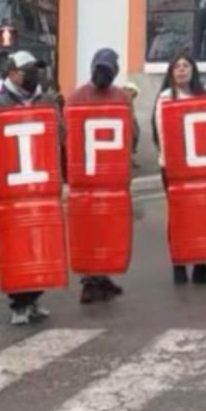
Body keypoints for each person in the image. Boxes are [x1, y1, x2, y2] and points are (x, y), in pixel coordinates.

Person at [0, 50, 61, 325]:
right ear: (13, 74)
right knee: (14, 244)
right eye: (29, 70)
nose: (35, 74)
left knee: (39, 243)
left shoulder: (45, 101)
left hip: (38, 182)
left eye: (37, 69)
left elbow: (56, 139)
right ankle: (18, 303)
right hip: (10, 185)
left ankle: (35, 297)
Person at [67, 48, 133, 304]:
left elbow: (129, 133)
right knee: (87, 229)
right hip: (85, 175)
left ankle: (103, 276)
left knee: (108, 228)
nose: (101, 74)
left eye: (106, 70)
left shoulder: (121, 97)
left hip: (111, 176)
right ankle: (89, 281)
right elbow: (69, 136)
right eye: (98, 69)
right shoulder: (77, 97)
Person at [154, 53, 206, 285]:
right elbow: (162, 133)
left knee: (202, 215)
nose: (182, 69)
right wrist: (175, 164)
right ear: (171, 72)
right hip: (174, 168)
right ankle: (179, 266)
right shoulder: (165, 97)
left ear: (193, 70)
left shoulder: (204, 94)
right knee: (179, 216)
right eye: (177, 66)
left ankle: (202, 267)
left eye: (186, 65)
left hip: (201, 166)